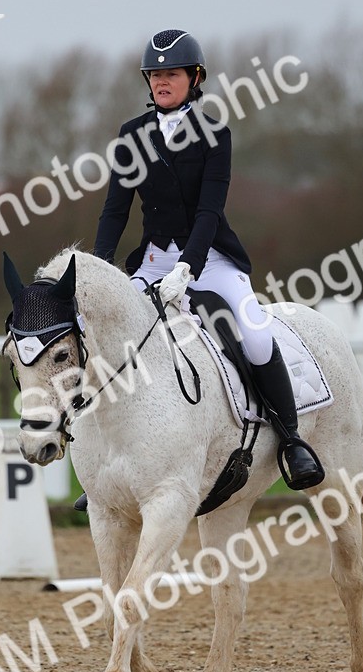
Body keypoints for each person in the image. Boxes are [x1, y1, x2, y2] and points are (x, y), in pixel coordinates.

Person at [75, 28, 324, 510]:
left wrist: (187, 267)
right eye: (154, 75)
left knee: (255, 336)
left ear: (195, 78)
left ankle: (292, 440)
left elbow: (210, 211)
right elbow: (115, 210)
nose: (161, 82)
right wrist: (99, 270)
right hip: (153, 261)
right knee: (106, 338)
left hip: (208, 260)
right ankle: (102, 467)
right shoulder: (132, 136)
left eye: (171, 74)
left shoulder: (214, 134)